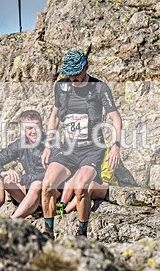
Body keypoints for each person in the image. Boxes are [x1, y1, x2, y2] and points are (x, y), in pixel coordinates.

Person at [41, 50, 122, 238]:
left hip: (92, 149)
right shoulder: (61, 87)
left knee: (81, 187)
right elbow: (54, 116)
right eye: (69, 75)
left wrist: (116, 145)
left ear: (86, 68)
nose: (72, 79)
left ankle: (82, 232)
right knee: (47, 184)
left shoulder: (100, 88)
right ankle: (47, 232)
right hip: (68, 148)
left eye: (76, 75)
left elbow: (115, 118)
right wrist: (47, 146)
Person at [0, 110, 47, 218]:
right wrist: (4, 173)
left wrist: (23, 179)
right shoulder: (20, 144)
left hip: (50, 195)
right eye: (29, 128)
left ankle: (12, 221)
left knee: (37, 183)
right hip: (29, 194)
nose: (34, 131)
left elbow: (52, 173)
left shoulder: (51, 143)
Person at [60, 144, 137, 214]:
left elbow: (107, 176)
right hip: (85, 181)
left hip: (104, 183)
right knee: (74, 176)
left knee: (91, 184)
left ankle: (66, 211)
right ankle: (62, 204)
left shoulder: (105, 146)